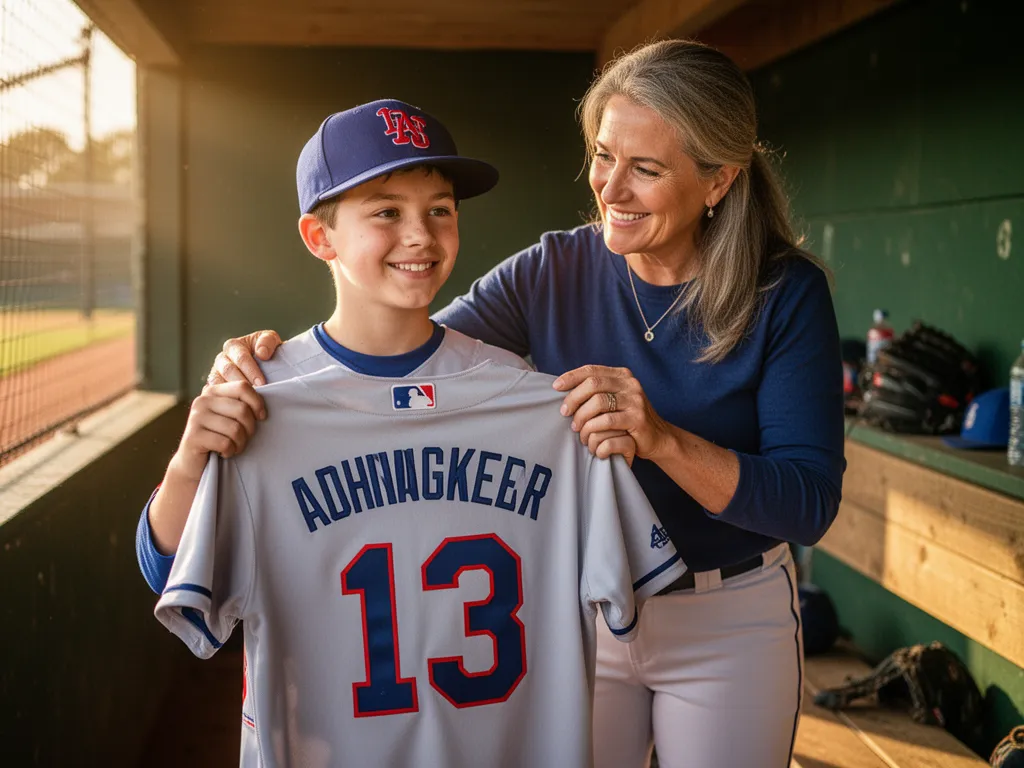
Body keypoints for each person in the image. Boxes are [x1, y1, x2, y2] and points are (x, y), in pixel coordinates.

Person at [207, 41, 846, 767]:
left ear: (718, 180)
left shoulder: (785, 292)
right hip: (585, 612)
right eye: (604, 156)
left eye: (646, 169)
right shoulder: (556, 266)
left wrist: (661, 439)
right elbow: (412, 362)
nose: (611, 187)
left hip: (728, 616)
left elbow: (807, 504)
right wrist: (280, 362)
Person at [142, 98, 686, 768]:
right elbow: (170, 574)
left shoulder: (529, 397)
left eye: (439, 209)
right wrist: (190, 463)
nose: (420, 235)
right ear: (320, 237)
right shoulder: (262, 399)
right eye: (386, 212)